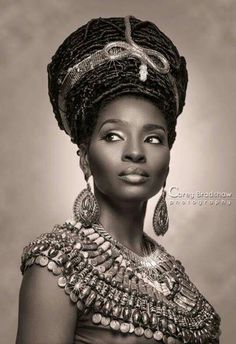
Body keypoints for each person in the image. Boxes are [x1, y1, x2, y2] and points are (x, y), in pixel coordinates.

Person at [16, 15, 221, 344]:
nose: (135, 152)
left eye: (153, 139)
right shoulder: (56, 267)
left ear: (168, 157)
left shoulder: (174, 275)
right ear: (85, 154)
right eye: (113, 136)